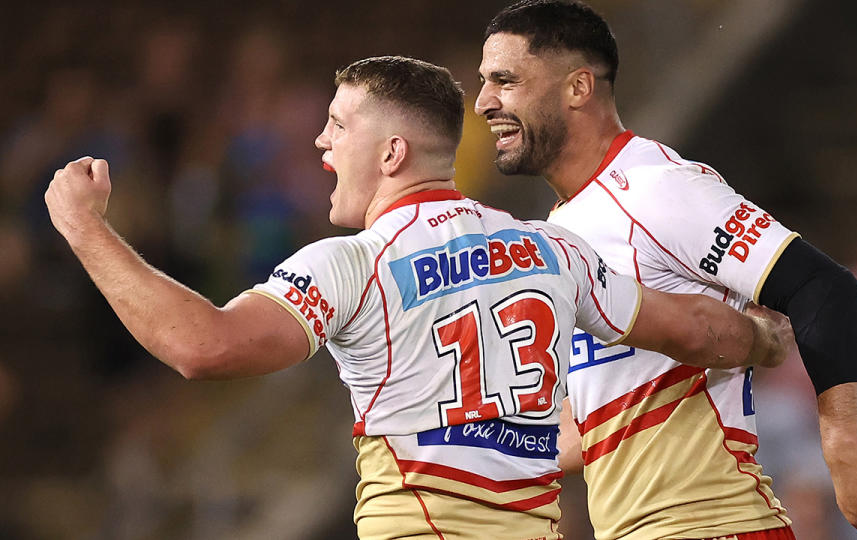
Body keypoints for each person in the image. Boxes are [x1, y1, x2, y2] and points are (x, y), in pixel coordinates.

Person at [45, 55, 793, 539]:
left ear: (392, 153)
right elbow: (695, 330)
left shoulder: (354, 265)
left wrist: (84, 229)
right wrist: (760, 338)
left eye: (337, 127)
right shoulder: (550, 249)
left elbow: (203, 347)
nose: (321, 145)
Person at [474, 2, 857, 540]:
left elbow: (822, 286)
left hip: (715, 526)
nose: (484, 103)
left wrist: (845, 445)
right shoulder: (565, 226)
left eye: (505, 81)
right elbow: (599, 417)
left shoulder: (657, 188)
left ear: (578, 87)